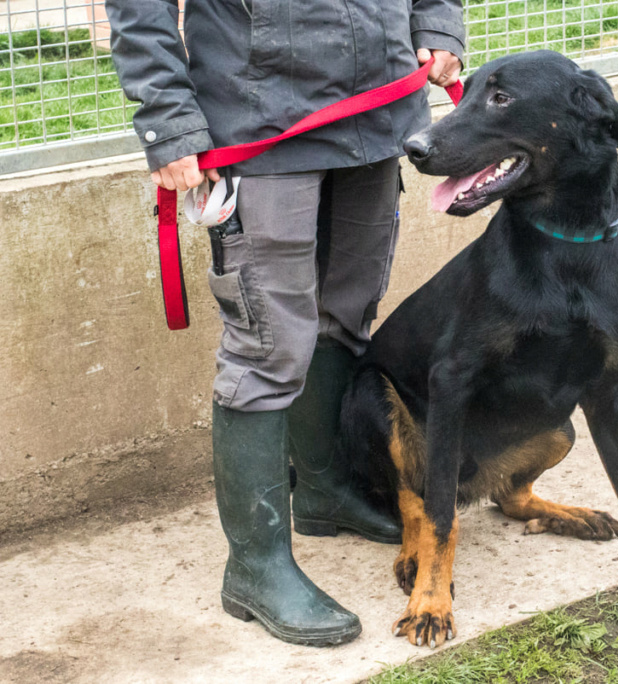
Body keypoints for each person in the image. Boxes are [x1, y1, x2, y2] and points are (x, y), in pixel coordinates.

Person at [105, 0, 464, 646]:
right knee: (266, 346)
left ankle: (324, 491)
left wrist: (436, 25)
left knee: (347, 311)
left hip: (379, 110)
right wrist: (168, 119)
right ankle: (255, 564)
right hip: (259, 115)